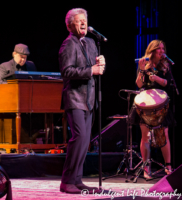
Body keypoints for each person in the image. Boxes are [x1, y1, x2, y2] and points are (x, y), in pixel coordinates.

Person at [59, 8, 105, 194]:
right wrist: (91, 71)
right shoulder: (68, 44)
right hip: (75, 98)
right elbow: (66, 71)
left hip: (89, 99)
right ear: (70, 25)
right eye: (78, 21)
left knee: (85, 140)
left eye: (84, 19)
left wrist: (101, 64)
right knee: (78, 138)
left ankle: (77, 180)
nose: (83, 23)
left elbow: (94, 67)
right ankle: (67, 180)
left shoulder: (91, 42)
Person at [135, 40, 174, 179]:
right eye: (159, 49)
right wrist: (141, 70)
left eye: (163, 48)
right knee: (145, 136)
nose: (162, 51)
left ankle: (168, 166)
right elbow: (139, 84)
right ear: (152, 51)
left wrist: (155, 77)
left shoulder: (166, 65)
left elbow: (167, 83)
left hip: (161, 103)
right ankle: (146, 168)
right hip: (146, 104)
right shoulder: (144, 63)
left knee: (163, 134)